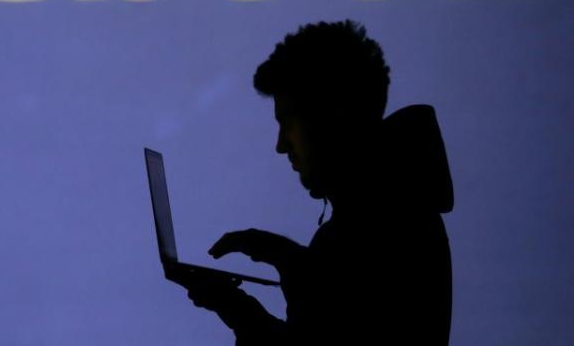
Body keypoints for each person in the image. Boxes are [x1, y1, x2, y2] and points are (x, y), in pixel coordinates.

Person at [178, 20, 454, 345]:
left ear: (333, 116)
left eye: (289, 123)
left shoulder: (365, 235)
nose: (281, 145)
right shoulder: (402, 214)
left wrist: (240, 307)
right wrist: (285, 259)